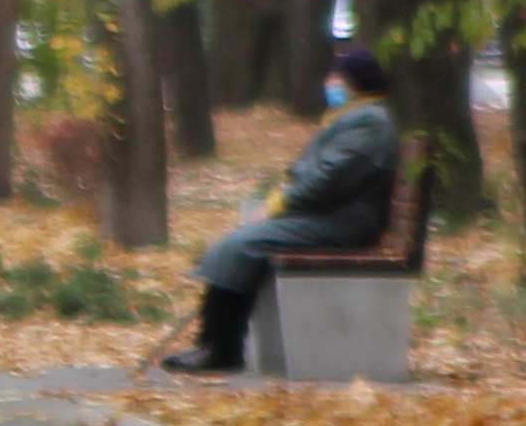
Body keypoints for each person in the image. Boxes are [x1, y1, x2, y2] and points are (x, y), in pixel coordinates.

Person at [157, 45, 404, 374]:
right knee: (243, 241)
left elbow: (328, 180)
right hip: (332, 215)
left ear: (353, 81)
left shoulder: (369, 122)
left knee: (243, 244)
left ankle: (221, 348)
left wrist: (282, 203)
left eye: (335, 75)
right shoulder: (358, 117)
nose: (328, 82)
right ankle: (214, 344)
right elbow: (320, 175)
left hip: (346, 222)